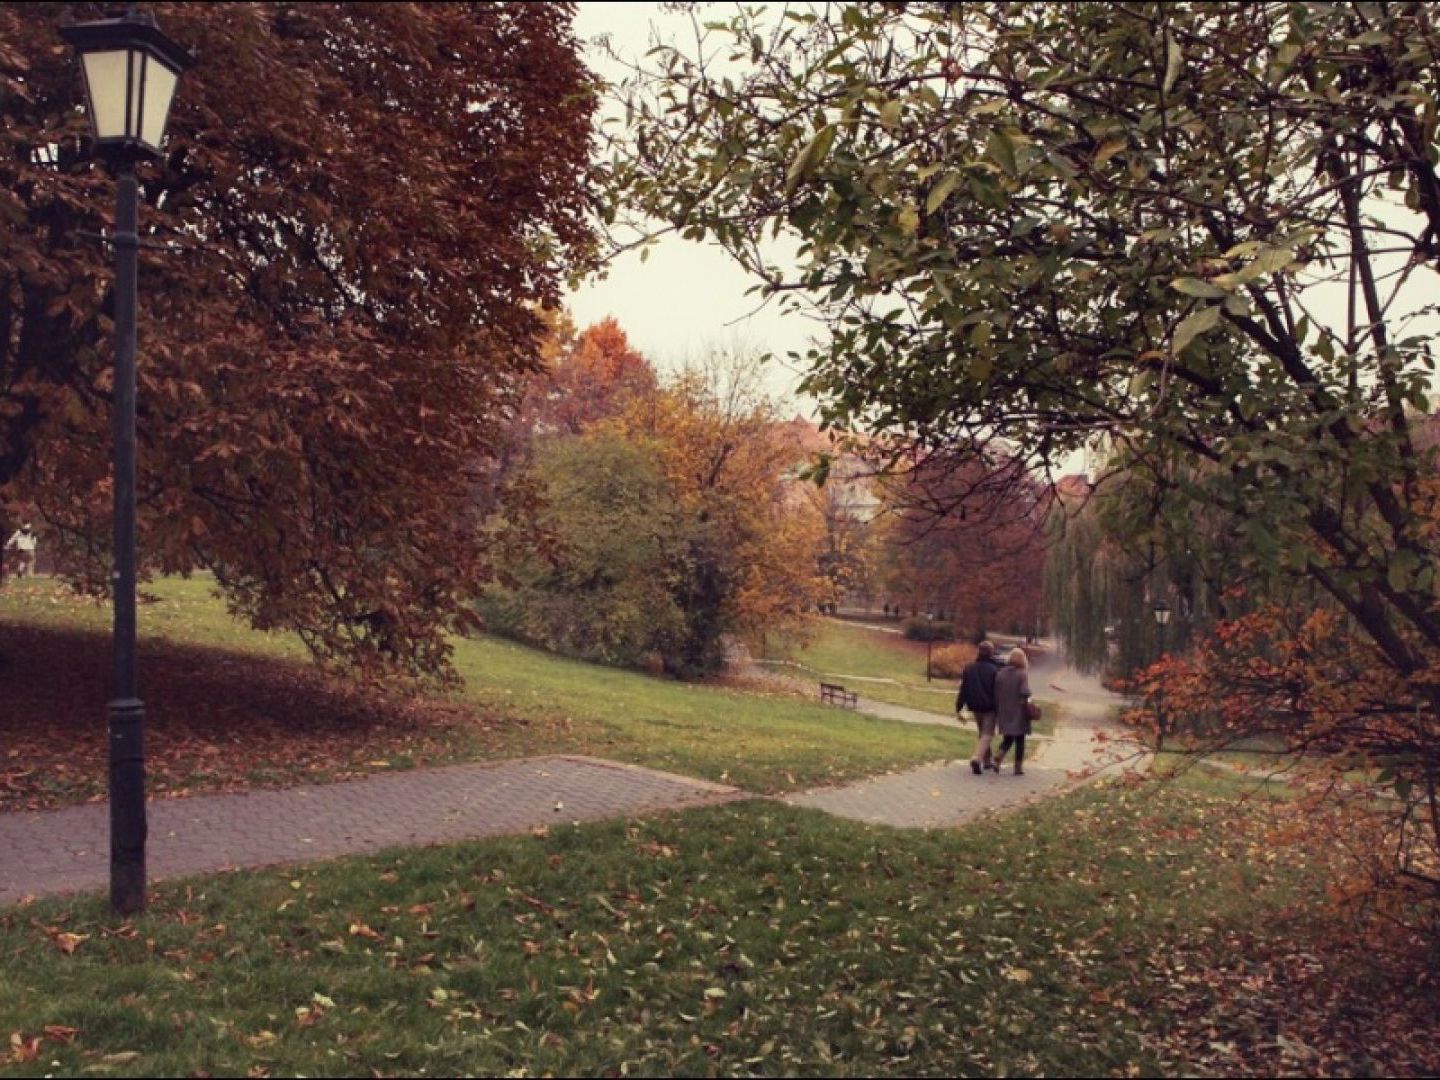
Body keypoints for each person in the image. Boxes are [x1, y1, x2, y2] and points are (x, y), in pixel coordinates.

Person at [957, 640, 1005, 774]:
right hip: (990, 707)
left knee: (982, 733)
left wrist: (959, 706)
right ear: (991, 653)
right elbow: (998, 691)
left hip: (975, 706)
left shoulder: (969, 668)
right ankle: (977, 759)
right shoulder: (995, 670)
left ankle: (987, 761)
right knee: (987, 734)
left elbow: (964, 689)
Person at [993, 646, 1033, 776]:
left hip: (1004, 709)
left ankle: (999, 755)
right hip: (1018, 709)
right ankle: (1018, 767)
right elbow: (1024, 691)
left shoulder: (1001, 673)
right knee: (1020, 739)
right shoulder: (1022, 673)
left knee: (1008, 737)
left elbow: (996, 691)